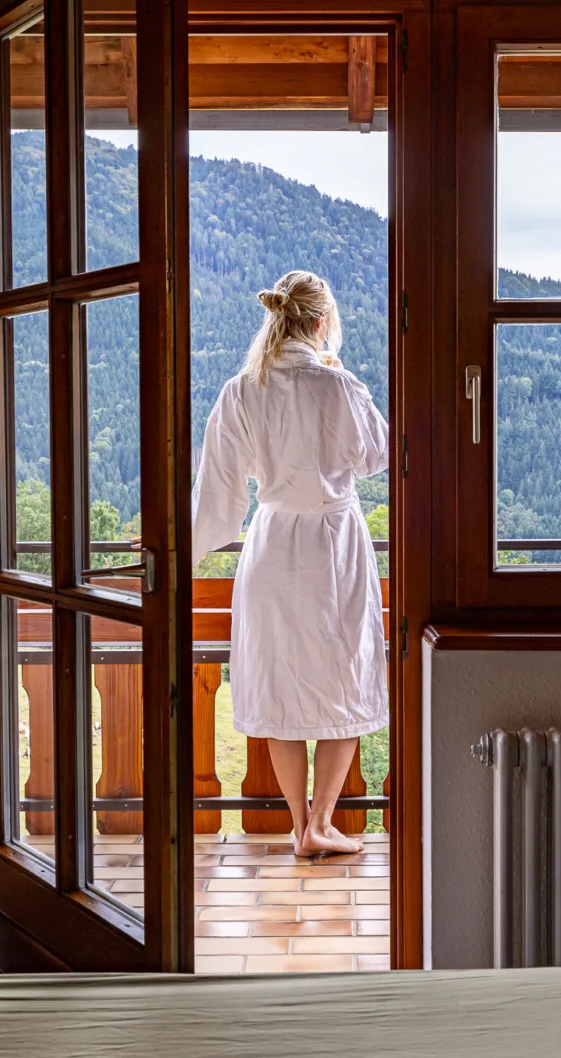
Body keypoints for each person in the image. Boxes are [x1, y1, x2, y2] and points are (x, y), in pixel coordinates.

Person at [192, 270, 389, 857]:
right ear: (322, 321)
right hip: (335, 547)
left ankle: (301, 818)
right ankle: (319, 825)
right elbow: (378, 454)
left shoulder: (242, 389)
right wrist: (347, 389)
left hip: (273, 543)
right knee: (344, 679)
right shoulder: (339, 386)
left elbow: (218, 497)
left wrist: (177, 546)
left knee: (280, 685)